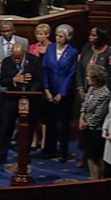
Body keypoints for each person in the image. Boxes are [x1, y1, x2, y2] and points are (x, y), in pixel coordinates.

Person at [0, 43, 43, 166]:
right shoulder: (7, 62)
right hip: (11, 100)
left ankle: (24, 155)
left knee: (27, 129)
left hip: (30, 101)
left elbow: (38, 81)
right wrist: (14, 80)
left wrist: (28, 95)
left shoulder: (34, 61)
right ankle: (1, 155)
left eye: (18, 57)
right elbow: (3, 81)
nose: (16, 60)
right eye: (14, 57)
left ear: (24, 53)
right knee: (5, 128)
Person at [42, 24, 79, 162]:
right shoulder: (50, 48)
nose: (58, 38)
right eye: (57, 35)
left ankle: (63, 152)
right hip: (50, 91)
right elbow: (45, 69)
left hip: (64, 94)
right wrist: (46, 90)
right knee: (50, 122)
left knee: (64, 124)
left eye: (61, 36)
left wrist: (61, 94)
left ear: (67, 37)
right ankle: (49, 150)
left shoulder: (73, 52)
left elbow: (71, 74)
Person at [79, 65, 111, 180]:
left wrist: (86, 123)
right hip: (87, 127)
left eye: (89, 76)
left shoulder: (104, 93)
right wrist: (81, 117)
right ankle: (94, 178)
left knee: (95, 158)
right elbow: (85, 104)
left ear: (96, 78)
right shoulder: (92, 89)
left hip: (96, 130)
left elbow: (99, 114)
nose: (87, 78)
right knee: (89, 157)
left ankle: (97, 180)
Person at [27, 23, 51, 150]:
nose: (39, 37)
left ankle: (44, 141)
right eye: (37, 34)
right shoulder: (32, 47)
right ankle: (34, 140)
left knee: (45, 116)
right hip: (35, 84)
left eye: (42, 34)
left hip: (48, 83)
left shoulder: (53, 47)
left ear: (47, 34)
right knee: (34, 115)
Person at [77, 26, 111, 101]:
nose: (90, 37)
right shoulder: (86, 48)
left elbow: (107, 76)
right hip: (82, 91)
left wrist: (95, 94)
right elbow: (79, 69)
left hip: (97, 95)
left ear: (101, 37)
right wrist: (80, 89)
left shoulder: (108, 53)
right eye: (90, 35)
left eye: (94, 35)